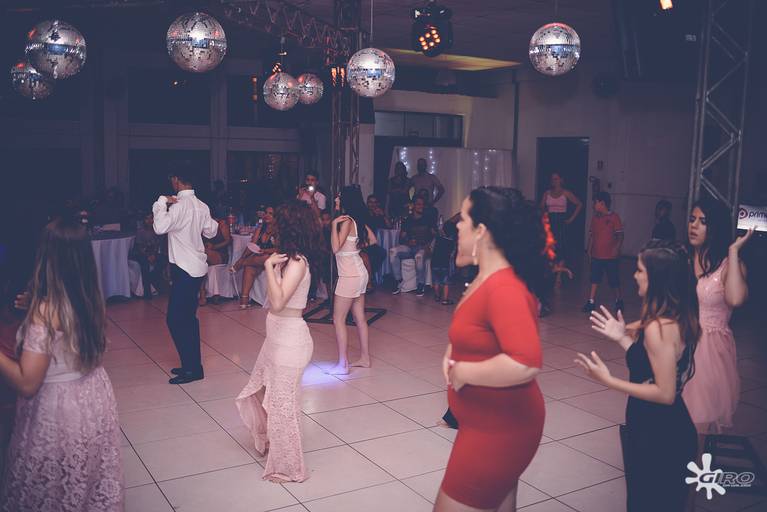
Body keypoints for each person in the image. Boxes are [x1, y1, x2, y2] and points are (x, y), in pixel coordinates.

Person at [0, 218, 123, 511]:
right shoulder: (90, 297)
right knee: (84, 481)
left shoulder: (46, 311)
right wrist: (35, 304)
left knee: (53, 490)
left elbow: (27, 383)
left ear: (46, 256)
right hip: (93, 398)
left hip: (60, 407)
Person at [436, 187, 546, 511]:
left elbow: (526, 362)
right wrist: (453, 348)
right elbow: (478, 330)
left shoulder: (504, 287)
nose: (457, 225)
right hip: (482, 422)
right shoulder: (484, 279)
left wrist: (465, 371)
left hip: (499, 429)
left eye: (463, 219)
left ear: (481, 231)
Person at [578, 240, 699, 512]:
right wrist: (622, 337)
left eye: (640, 270)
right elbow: (649, 364)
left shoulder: (659, 327)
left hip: (660, 434)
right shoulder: (670, 316)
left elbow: (665, 394)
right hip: (656, 426)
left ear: (656, 279)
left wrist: (609, 380)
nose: (634, 275)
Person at [236, 200, 324, 483]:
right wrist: (273, 266)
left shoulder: (297, 262)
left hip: (290, 342)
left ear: (288, 227)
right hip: (276, 339)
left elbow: (277, 302)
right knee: (259, 390)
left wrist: (269, 268)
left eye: (277, 223)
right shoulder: (287, 257)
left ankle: (288, 467)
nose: (272, 227)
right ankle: (270, 439)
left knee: (283, 406)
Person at [683, 198, 753, 433]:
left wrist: (733, 252)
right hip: (679, 338)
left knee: (698, 417)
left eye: (702, 221)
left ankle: (697, 456)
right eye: (692, 219)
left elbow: (735, 299)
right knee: (674, 414)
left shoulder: (729, 265)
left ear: (716, 227)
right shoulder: (683, 257)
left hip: (707, 348)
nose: (694, 225)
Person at [153, 169, 218, 385]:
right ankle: (191, 365)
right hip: (197, 268)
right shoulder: (201, 205)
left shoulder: (178, 206)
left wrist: (161, 201)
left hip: (184, 268)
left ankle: (192, 369)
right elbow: (211, 232)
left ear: (176, 180)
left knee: (176, 319)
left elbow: (159, 227)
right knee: (188, 318)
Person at [328, 186, 378, 375]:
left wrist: (333, 225)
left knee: (338, 318)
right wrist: (354, 248)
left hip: (349, 275)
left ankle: (343, 365)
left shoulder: (347, 221)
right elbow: (373, 240)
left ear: (345, 200)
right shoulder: (357, 220)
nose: (336, 200)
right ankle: (365, 358)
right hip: (360, 272)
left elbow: (335, 248)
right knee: (360, 318)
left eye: (338, 197)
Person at [583, 191, 624, 314]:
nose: (593, 205)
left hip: (610, 256)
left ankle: (619, 300)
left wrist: (617, 247)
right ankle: (591, 301)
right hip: (597, 255)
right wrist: (589, 249)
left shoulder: (614, 217)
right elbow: (592, 235)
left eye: (595, 203)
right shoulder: (595, 218)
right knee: (594, 279)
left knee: (613, 280)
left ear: (602, 203)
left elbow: (620, 235)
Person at [231, 206, 277, 308]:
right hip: (259, 259)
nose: (267, 215)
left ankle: (240, 264)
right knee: (249, 267)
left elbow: (280, 249)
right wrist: (242, 257)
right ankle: (244, 299)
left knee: (266, 257)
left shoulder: (279, 230)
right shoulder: (260, 229)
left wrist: (265, 251)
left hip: (273, 257)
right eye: (266, 213)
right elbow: (252, 245)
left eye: (271, 214)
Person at [390, 197, 436, 297]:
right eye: (419, 204)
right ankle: (398, 280)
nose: (421, 206)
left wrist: (429, 246)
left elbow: (435, 235)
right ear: (413, 205)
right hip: (410, 247)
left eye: (422, 204)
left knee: (419, 256)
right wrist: (408, 241)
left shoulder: (428, 219)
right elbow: (401, 238)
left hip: (423, 247)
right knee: (393, 252)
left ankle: (421, 284)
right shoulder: (408, 220)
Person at [540, 172, 583, 267]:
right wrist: (544, 216)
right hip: (550, 221)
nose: (554, 181)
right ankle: (551, 268)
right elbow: (541, 207)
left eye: (556, 179)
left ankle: (560, 271)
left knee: (561, 247)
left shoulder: (566, 193)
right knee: (550, 246)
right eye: (552, 179)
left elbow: (579, 204)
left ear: (561, 180)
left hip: (561, 221)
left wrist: (571, 219)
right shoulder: (547, 193)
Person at [130, 212, 167, 299]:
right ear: (144, 220)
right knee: (145, 264)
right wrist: (148, 256)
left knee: (163, 260)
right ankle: (147, 292)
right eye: (147, 219)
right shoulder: (141, 231)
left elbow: (157, 245)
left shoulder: (156, 230)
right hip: (140, 254)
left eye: (151, 218)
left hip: (152, 252)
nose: (149, 221)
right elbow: (139, 247)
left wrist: (153, 254)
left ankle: (153, 278)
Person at [199, 215, 232, 306]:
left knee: (202, 255)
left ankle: (203, 294)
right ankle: (202, 291)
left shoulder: (222, 224)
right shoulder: (201, 223)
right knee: (200, 260)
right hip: (205, 253)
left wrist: (214, 247)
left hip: (220, 253)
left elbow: (228, 241)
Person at [432, 215, 458, 305]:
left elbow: (432, 248)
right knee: (446, 282)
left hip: (434, 263)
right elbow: (452, 255)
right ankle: (445, 299)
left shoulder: (438, 239)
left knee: (436, 281)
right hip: (445, 264)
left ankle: (437, 296)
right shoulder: (451, 242)